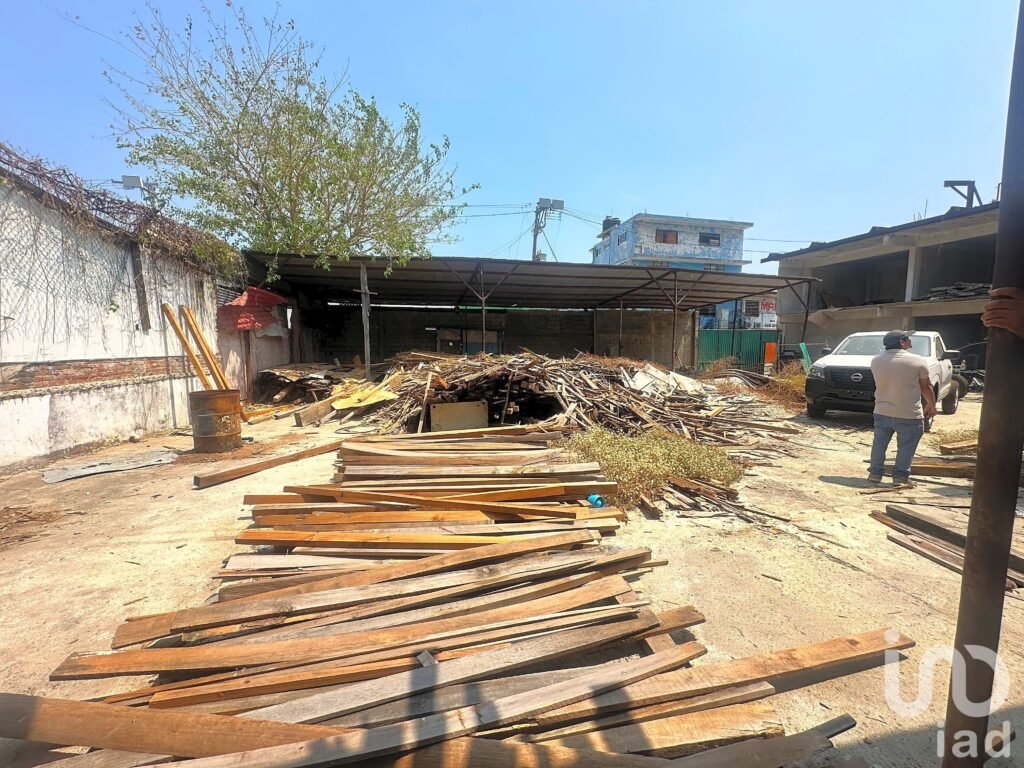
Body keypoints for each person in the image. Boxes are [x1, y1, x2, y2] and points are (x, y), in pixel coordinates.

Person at [867, 330, 937, 485]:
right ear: (902, 342)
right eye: (908, 338)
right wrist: (932, 405)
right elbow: (926, 386)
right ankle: (899, 477)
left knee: (879, 444)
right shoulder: (918, 361)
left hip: (882, 411)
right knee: (906, 446)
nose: (910, 340)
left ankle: (875, 474)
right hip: (908, 413)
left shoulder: (876, 360)